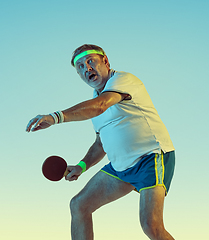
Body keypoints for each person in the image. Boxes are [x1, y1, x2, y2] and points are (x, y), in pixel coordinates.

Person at [26, 44, 176, 240]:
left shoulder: (123, 80)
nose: (86, 68)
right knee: (79, 205)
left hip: (151, 158)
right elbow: (100, 144)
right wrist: (81, 166)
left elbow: (101, 106)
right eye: (79, 66)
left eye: (90, 61)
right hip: (121, 167)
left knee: (151, 225)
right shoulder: (93, 103)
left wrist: (55, 117)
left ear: (105, 61)